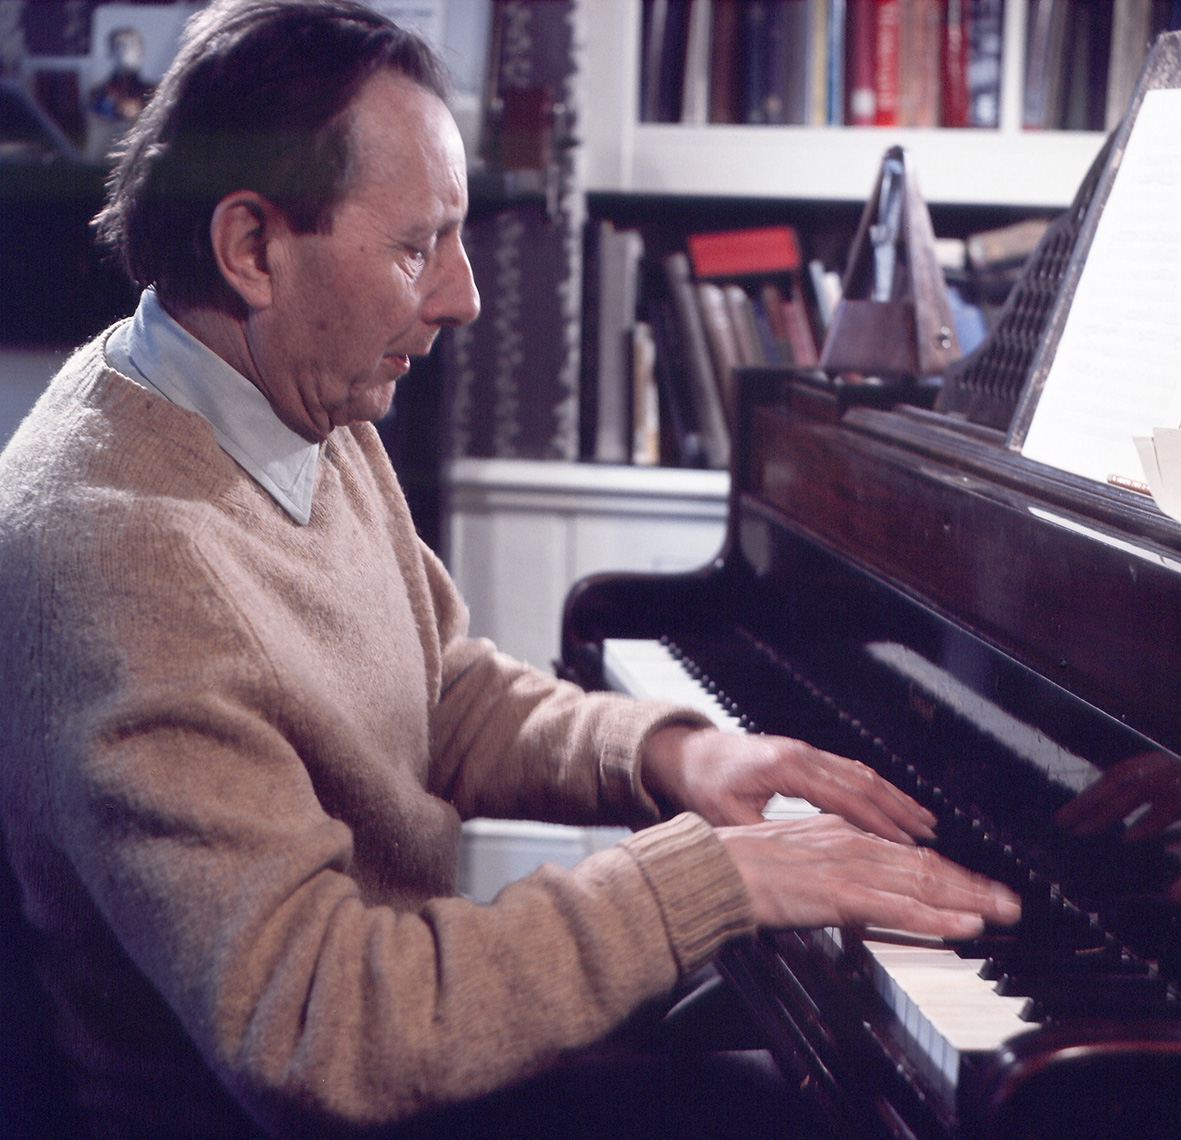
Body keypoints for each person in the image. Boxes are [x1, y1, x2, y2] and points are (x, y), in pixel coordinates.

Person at [0, 2, 1021, 1138]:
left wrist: (673, 752)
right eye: (413, 246)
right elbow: (320, 1030)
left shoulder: (278, 393)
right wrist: (714, 880)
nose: (463, 296)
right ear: (252, 249)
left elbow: (434, 690)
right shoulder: (123, 551)